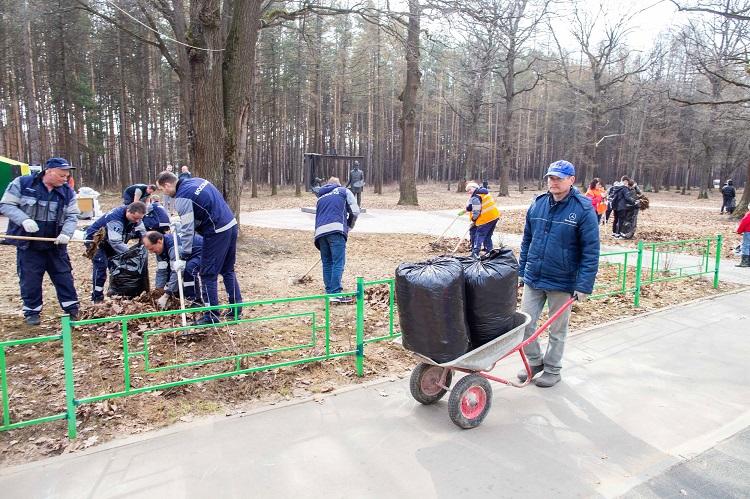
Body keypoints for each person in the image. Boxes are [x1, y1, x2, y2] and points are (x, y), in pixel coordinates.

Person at [517, 160, 600, 387]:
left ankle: (553, 369)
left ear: (571, 180)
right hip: (534, 276)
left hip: (562, 280)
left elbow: (591, 250)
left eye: (559, 178)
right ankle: (534, 363)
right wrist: (521, 271)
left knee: (557, 330)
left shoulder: (583, 209)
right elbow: (527, 241)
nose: (553, 182)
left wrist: (583, 285)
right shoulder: (538, 204)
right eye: (550, 178)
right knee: (525, 324)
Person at [0, 157, 80, 325]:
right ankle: (32, 312)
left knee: (64, 277)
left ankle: (72, 309)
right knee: (30, 279)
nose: (65, 179)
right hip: (29, 245)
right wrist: (23, 220)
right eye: (61, 175)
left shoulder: (67, 192)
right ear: (48, 171)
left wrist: (66, 233)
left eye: (67, 176)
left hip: (55, 244)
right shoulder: (23, 183)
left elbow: (73, 215)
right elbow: (6, 205)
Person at [156, 171, 242, 325]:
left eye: (162, 189)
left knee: (207, 274)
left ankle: (211, 316)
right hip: (230, 224)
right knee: (228, 270)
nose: (164, 193)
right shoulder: (198, 180)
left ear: (167, 184)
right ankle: (236, 309)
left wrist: (184, 255)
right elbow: (206, 205)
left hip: (216, 231)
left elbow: (188, 230)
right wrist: (182, 220)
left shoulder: (182, 197)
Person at [85, 202, 147, 303]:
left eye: (140, 219)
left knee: (117, 266)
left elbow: (143, 233)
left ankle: (116, 292)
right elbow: (116, 242)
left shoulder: (137, 218)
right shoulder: (116, 219)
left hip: (111, 241)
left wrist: (145, 244)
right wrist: (131, 253)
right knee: (101, 266)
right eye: (135, 218)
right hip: (96, 241)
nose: (137, 221)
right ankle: (97, 297)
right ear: (128, 211)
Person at [314, 177, 360, 303]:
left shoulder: (320, 198)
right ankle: (335, 293)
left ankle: (329, 292)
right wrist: (349, 226)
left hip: (320, 233)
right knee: (338, 262)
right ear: (338, 185)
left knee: (327, 262)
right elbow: (355, 211)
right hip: (336, 230)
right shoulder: (343, 191)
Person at [142, 231, 204, 308]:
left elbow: (177, 271)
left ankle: (195, 301)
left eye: (151, 249)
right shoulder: (160, 249)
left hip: (202, 252)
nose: (151, 252)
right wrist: (159, 290)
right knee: (173, 275)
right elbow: (162, 270)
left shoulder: (174, 247)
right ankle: (177, 295)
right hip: (187, 257)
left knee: (189, 269)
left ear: (159, 241)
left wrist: (167, 294)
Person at [464, 181, 500, 258]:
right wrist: (467, 209)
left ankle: (475, 253)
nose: (468, 192)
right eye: (467, 191)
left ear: (474, 188)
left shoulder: (476, 196)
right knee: (487, 236)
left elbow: (476, 210)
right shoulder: (484, 192)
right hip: (494, 217)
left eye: (469, 190)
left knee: (479, 235)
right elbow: (474, 205)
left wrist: (473, 220)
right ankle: (490, 252)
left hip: (486, 218)